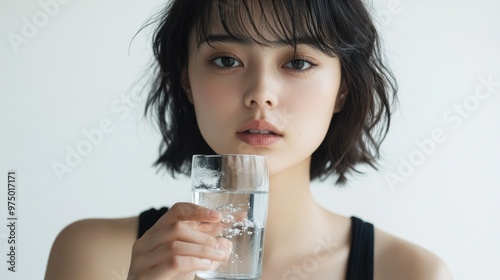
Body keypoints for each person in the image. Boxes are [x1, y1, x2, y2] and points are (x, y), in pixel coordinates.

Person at [45, 0, 453, 279]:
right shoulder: (92, 256)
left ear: (342, 89)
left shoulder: (410, 272)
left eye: (297, 62)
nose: (261, 92)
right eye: (226, 60)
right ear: (186, 81)